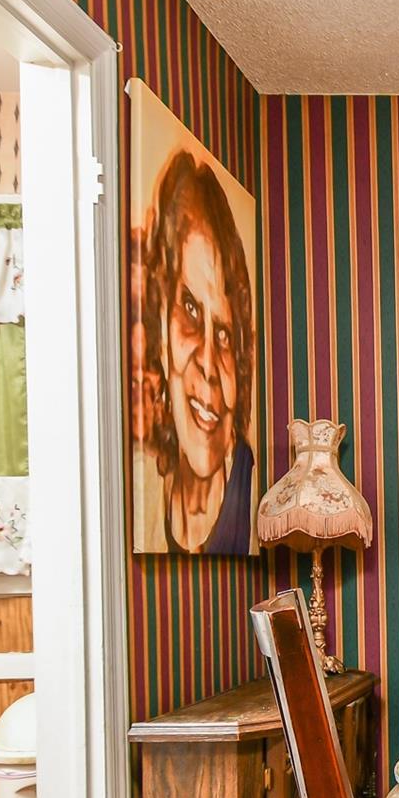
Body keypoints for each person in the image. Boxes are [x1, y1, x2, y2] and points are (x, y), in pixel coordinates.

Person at [135, 149, 257, 554]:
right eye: (189, 310)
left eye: (224, 334)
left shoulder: (250, 487)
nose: (207, 363)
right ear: (159, 327)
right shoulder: (142, 485)